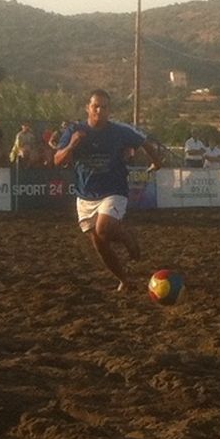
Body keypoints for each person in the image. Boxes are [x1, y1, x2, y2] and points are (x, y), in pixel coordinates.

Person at [54, 89, 163, 292]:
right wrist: (71, 145)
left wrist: (156, 162)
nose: (99, 110)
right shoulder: (74, 131)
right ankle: (124, 280)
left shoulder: (119, 131)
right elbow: (57, 160)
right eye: (95, 106)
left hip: (114, 190)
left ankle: (127, 238)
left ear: (109, 110)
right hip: (85, 195)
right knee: (99, 243)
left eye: (104, 107)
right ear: (88, 108)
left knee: (103, 229)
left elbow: (144, 142)